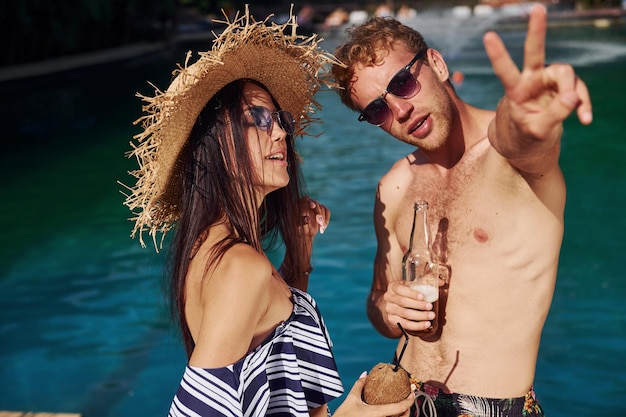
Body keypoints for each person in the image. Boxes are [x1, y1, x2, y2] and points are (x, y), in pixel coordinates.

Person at [121, 7, 414, 417]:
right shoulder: (241, 267)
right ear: (215, 143)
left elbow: (270, 347)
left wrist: (299, 254)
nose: (279, 131)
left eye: (280, 119)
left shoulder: (213, 248)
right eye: (256, 119)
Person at [331, 4, 592, 416]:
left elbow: (521, 138)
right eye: (378, 109)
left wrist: (529, 117)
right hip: (401, 400)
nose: (400, 110)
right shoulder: (394, 186)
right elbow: (379, 303)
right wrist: (387, 308)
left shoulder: (511, 162)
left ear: (435, 63)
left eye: (402, 82)